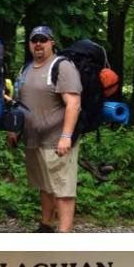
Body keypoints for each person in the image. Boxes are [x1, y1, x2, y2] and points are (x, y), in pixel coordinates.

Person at [10, 25, 83, 233]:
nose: (38, 44)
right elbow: (18, 103)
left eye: (43, 39)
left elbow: (73, 104)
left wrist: (66, 136)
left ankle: (64, 233)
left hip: (56, 139)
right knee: (44, 185)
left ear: (52, 42)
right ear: (29, 44)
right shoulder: (25, 69)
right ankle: (46, 226)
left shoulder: (62, 66)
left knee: (62, 188)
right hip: (33, 139)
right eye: (34, 40)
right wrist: (13, 130)